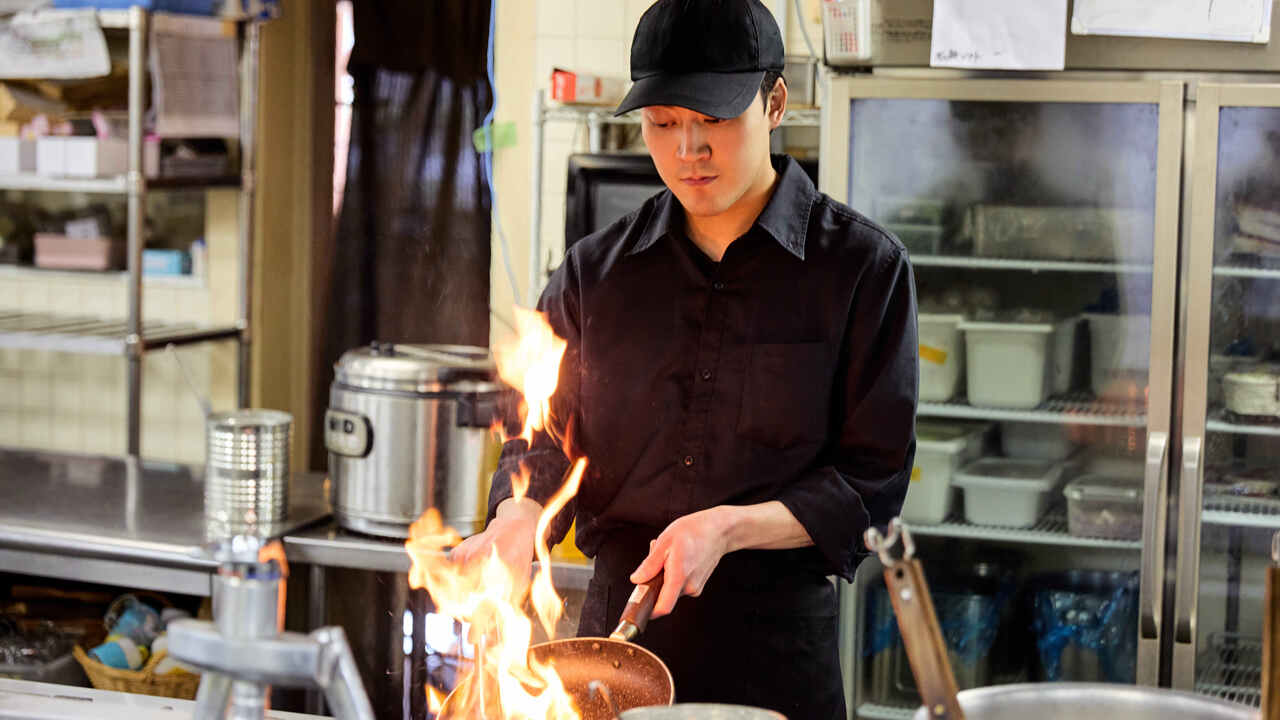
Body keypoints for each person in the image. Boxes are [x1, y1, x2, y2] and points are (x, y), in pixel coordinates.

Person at [453, 1, 918, 716]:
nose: (687, 149)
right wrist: (516, 519)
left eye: (714, 121)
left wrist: (726, 528)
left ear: (776, 102)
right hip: (614, 642)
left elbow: (873, 481)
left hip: (775, 652)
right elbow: (541, 436)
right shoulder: (594, 274)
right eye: (664, 124)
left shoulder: (861, 270)